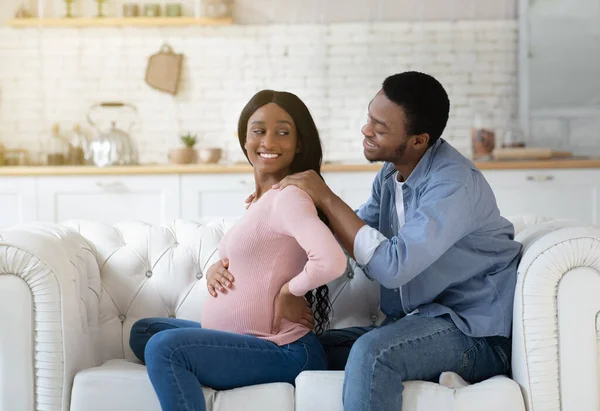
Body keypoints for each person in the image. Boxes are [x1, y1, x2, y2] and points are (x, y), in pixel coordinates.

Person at [233, 71, 523, 410]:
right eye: (370, 117)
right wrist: (261, 256)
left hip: (473, 334)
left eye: (381, 128)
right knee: (306, 349)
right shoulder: (390, 174)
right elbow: (346, 236)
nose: (366, 130)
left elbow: (392, 267)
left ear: (418, 140)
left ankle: (452, 370)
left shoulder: (453, 184)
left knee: (374, 354)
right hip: (417, 324)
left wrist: (325, 197)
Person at [129, 90, 347, 411]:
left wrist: (289, 292)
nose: (269, 141)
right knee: (145, 331)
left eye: (283, 132)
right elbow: (262, 256)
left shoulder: (289, 196)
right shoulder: (259, 200)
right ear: (244, 140)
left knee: (165, 347)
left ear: (298, 143)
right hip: (242, 339)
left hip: (280, 349)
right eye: (258, 131)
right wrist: (218, 267)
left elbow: (331, 260)